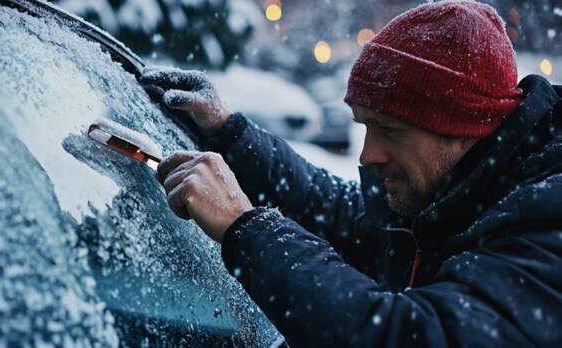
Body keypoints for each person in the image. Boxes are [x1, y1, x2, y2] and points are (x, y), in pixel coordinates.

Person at [141, 1, 562, 346]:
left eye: (390, 130)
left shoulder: (547, 222)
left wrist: (246, 228)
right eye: (365, 125)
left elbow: (412, 336)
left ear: (465, 128)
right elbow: (337, 213)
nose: (366, 154)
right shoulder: (452, 193)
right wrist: (231, 134)